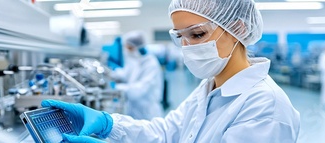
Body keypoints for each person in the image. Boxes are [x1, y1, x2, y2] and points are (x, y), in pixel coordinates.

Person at [42, 0, 300, 142]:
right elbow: (167, 133)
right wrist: (110, 124)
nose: (187, 47)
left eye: (197, 34)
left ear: (239, 29)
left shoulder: (265, 107)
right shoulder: (210, 87)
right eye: (180, 37)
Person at [109, 31, 164, 120]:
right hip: (133, 108)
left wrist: (116, 87)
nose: (127, 51)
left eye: (129, 48)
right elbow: (125, 74)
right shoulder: (134, 60)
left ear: (138, 48)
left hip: (147, 112)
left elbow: (138, 90)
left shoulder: (151, 64)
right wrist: (111, 73)